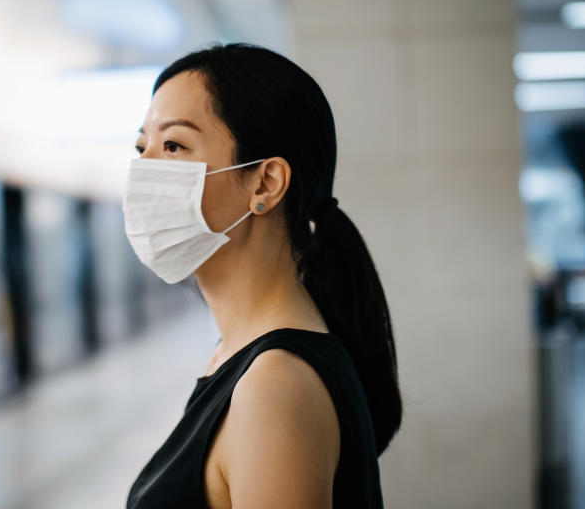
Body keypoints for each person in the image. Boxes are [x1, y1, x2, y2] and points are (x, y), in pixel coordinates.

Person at [124, 43, 402, 508]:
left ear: (265, 183)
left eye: (173, 145)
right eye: (140, 146)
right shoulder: (239, 357)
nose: (141, 170)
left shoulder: (274, 386)